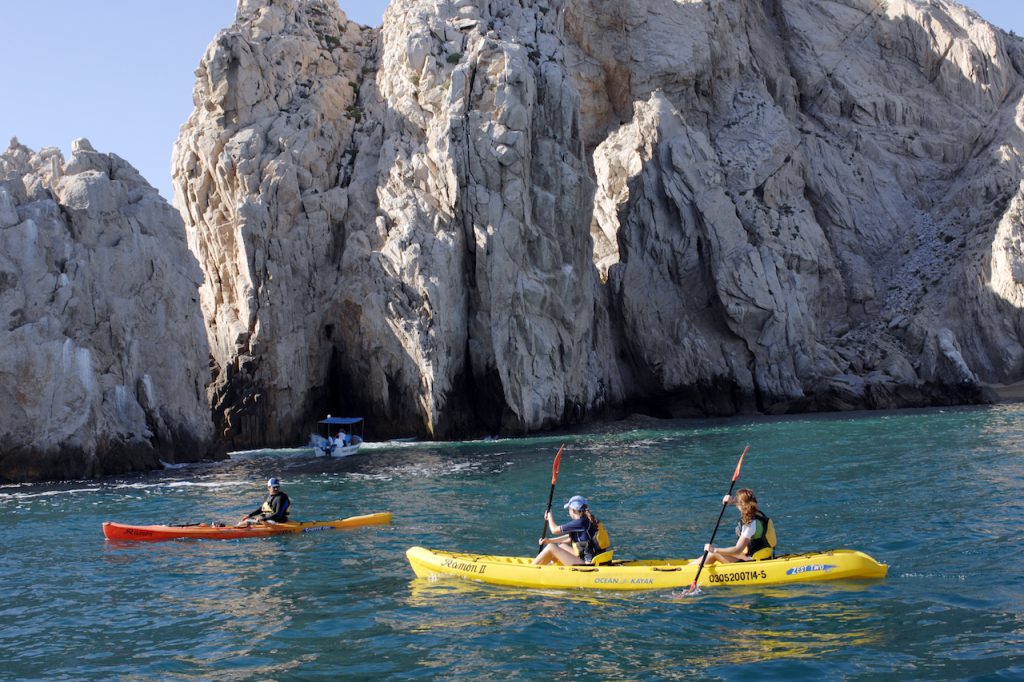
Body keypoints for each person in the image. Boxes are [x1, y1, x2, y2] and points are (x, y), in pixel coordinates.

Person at [699, 488, 776, 564]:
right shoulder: (758, 515)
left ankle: (688, 572)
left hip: (752, 563)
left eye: (737, 503)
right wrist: (731, 499)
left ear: (740, 504)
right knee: (713, 554)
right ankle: (689, 567)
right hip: (760, 557)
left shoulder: (750, 524)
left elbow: (738, 550)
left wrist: (714, 550)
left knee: (712, 554)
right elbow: (744, 500)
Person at [533, 495, 603, 566]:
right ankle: (550, 566)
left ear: (573, 510)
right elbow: (570, 538)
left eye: (569, 509)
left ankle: (532, 568)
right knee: (562, 546)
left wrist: (549, 515)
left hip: (587, 564)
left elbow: (554, 530)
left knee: (551, 547)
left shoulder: (580, 522)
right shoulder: (589, 520)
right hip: (592, 559)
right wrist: (549, 540)